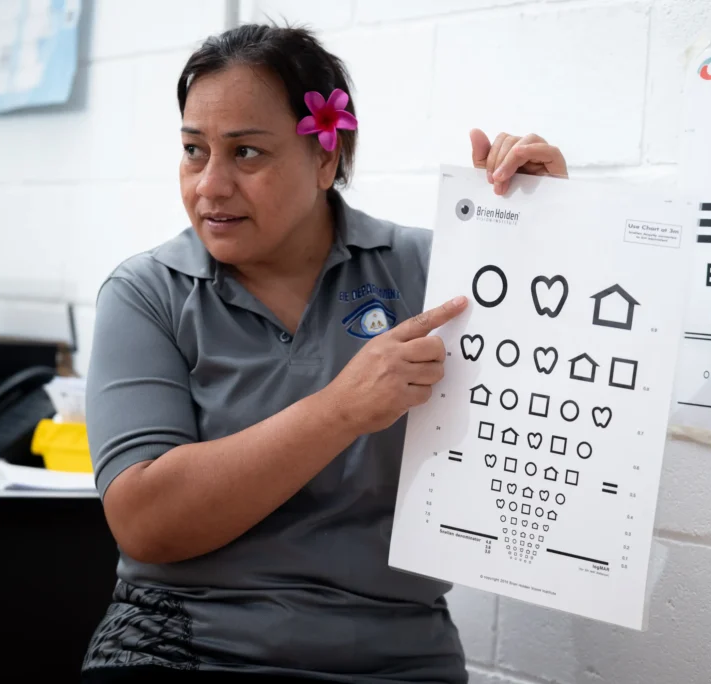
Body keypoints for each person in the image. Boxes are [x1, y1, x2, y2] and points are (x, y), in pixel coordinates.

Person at [80, 22, 568, 684]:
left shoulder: (434, 273)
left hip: (398, 660)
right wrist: (341, 409)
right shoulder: (148, 293)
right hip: (185, 647)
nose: (210, 186)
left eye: (246, 152)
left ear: (325, 159)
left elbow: (560, 394)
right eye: (194, 151)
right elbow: (145, 523)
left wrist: (551, 224)